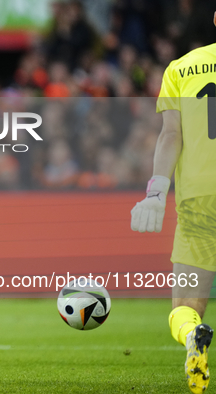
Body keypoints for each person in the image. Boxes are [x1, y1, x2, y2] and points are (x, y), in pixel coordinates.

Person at [130, 12, 216, 394]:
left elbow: (170, 136)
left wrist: (155, 193)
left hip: (199, 198)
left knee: (185, 305)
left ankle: (192, 335)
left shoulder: (181, 68)